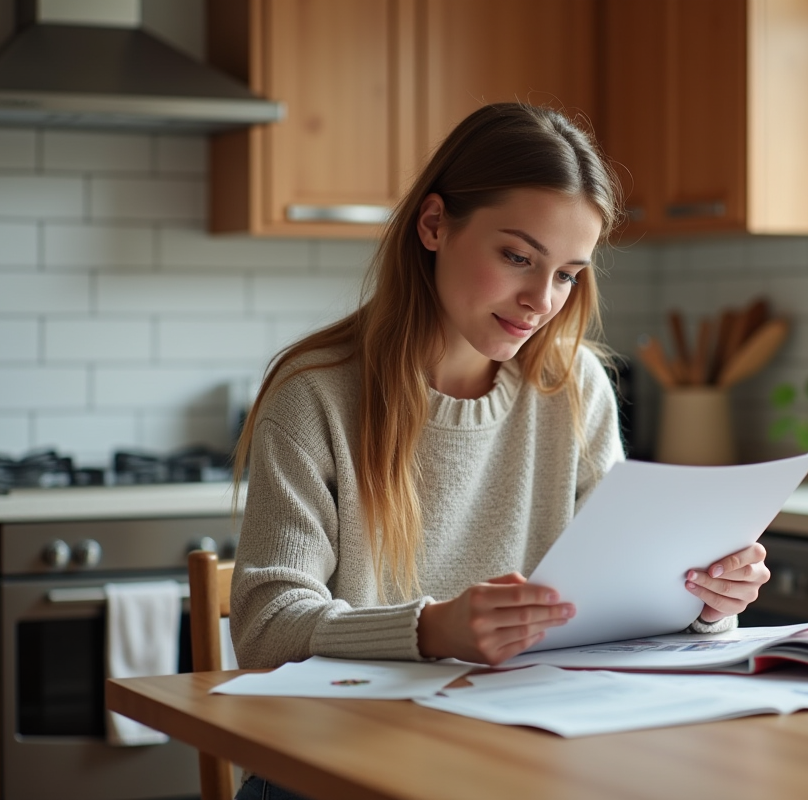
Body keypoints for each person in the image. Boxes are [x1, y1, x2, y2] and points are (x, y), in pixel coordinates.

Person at [229, 103, 769, 799]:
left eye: (568, 273)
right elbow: (267, 628)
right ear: (433, 225)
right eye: (517, 257)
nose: (541, 300)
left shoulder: (573, 388)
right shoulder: (316, 394)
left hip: (510, 753)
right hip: (330, 762)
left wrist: (705, 600)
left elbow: (616, 592)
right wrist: (433, 629)